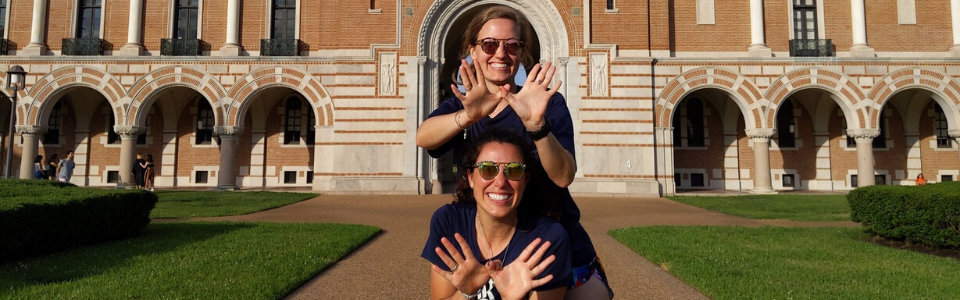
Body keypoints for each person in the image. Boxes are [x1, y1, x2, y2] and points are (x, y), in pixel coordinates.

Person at [415, 5, 612, 299]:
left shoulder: (545, 103)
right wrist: (469, 116)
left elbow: (563, 176)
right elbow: (424, 137)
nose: (500, 53)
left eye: (512, 45)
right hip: (486, 242)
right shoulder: (463, 105)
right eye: (490, 44)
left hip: (547, 240)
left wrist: (536, 124)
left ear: (521, 52)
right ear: (473, 50)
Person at [423, 129, 571, 300]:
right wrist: (466, 293)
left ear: (525, 180)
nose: (500, 182)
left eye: (514, 170)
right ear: (470, 177)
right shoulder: (448, 222)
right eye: (488, 169)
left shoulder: (549, 239)